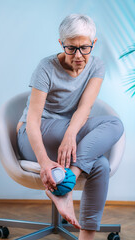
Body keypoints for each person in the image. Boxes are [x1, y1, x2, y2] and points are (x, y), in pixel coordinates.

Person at [16, 14, 124, 240]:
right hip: (35, 137)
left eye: (84, 48)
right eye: (71, 48)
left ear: (93, 43)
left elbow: (84, 109)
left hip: (66, 138)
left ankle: (85, 233)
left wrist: (70, 135)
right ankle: (65, 187)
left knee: (101, 165)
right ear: (61, 43)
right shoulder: (46, 67)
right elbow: (33, 120)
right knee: (114, 124)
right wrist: (45, 162)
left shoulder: (97, 66)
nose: (78, 56)